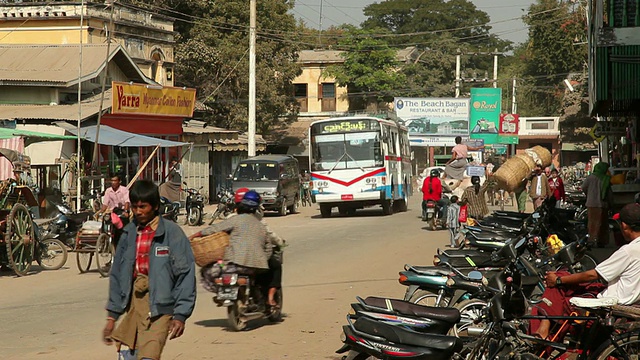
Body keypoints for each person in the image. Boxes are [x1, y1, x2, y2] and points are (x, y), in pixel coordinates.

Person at [102, 180, 196, 360]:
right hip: (134, 307)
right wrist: (112, 318)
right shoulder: (129, 233)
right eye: (135, 207)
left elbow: (185, 275)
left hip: (161, 308)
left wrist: (181, 315)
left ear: (155, 206)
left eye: (143, 207)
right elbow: (117, 275)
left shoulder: (172, 233)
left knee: (148, 356)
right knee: (130, 355)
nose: (138, 211)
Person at [532, 203, 640, 339]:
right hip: (631, 297)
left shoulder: (629, 251)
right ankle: (545, 327)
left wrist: (559, 280)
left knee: (557, 285)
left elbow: (593, 275)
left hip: (613, 301)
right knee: (562, 277)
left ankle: (543, 332)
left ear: (624, 226)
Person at [190, 190, 276, 305]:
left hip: (233, 264)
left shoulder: (235, 220)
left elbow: (213, 229)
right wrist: (262, 259)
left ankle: (220, 291)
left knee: (206, 272)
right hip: (255, 267)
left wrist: (195, 235)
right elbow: (269, 247)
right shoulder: (261, 225)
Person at [220, 188, 286, 308]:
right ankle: (270, 298)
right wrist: (280, 242)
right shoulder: (256, 217)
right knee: (275, 266)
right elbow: (268, 234)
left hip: (232, 256)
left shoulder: (230, 218)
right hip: (251, 256)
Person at [582, 162, 613, 248]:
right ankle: (601, 241)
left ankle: (591, 240)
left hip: (591, 204)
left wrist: (589, 195)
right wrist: (611, 204)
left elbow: (583, 187)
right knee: (603, 224)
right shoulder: (606, 179)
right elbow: (609, 193)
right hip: (603, 205)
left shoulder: (590, 178)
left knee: (592, 223)